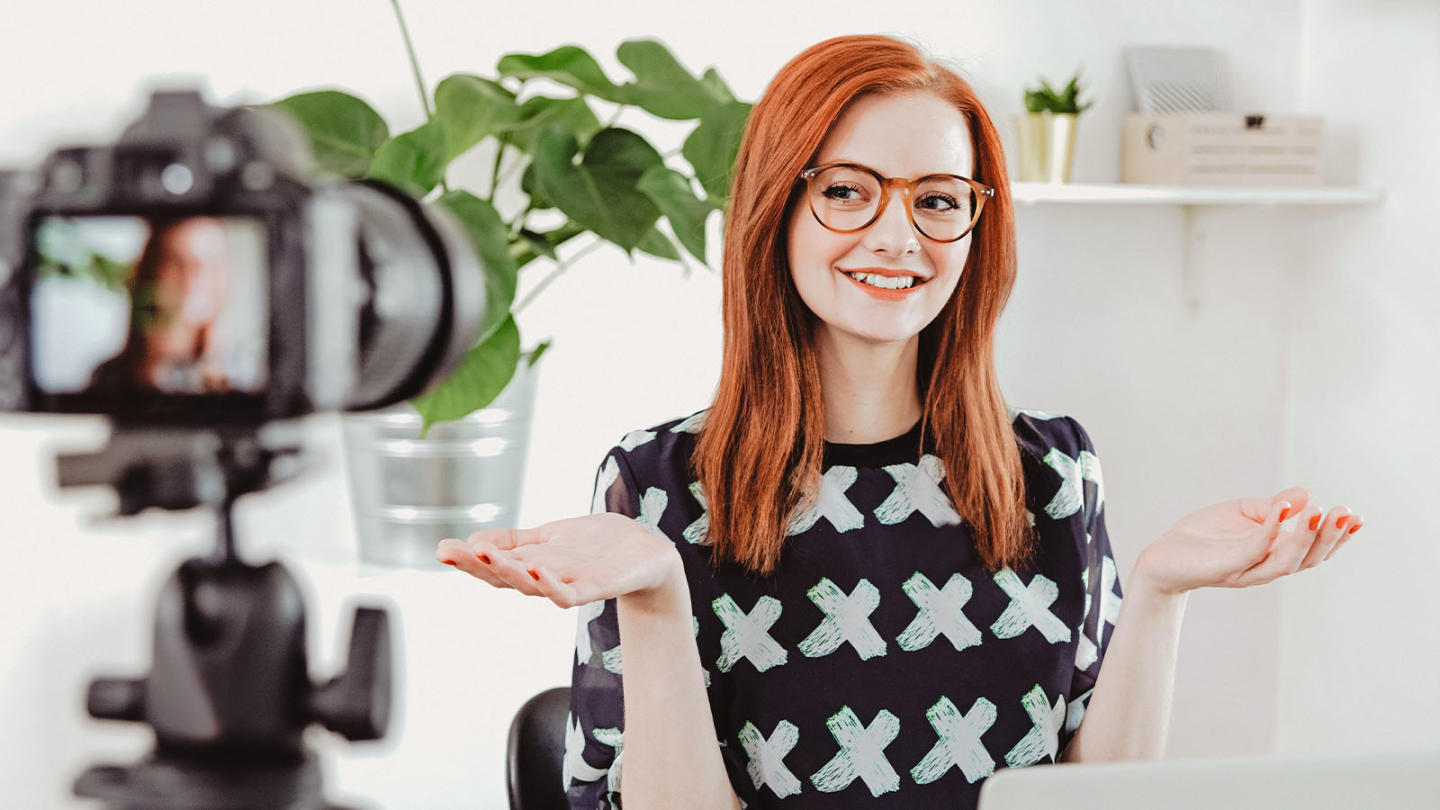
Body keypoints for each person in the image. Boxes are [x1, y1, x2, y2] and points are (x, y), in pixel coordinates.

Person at [435, 34, 1365, 810]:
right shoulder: (659, 485)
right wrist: (653, 597)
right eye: (847, 189)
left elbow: (1090, 797)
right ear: (777, 208)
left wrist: (1160, 593)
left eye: (936, 199)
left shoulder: (1056, 474)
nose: (898, 235)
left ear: (975, 224)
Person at [88, 216, 231, 394]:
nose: (194, 277)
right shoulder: (107, 378)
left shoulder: (232, 383)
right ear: (150, 271)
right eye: (177, 262)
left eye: (209, 264)